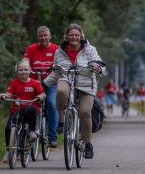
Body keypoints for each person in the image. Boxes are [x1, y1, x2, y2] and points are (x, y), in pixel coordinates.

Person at [43, 23, 104, 159]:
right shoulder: (59, 51)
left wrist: (97, 67)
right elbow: (56, 72)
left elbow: (99, 65)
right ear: (66, 36)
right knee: (61, 91)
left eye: (77, 35)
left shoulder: (89, 49)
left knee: (84, 112)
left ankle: (87, 144)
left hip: (86, 84)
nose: (74, 37)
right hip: (67, 79)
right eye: (71, 35)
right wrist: (44, 83)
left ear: (81, 36)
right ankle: (62, 119)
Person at [0, 60, 46, 162]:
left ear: (30, 70)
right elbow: (9, 93)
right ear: (17, 71)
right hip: (18, 109)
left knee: (30, 109)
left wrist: (40, 97)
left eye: (25, 69)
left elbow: (43, 94)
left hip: (31, 108)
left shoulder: (35, 83)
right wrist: (4, 96)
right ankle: (9, 150)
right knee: (8, 128)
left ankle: (32, 131)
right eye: (20, 70)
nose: (23, 72)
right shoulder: (14, 83)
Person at [23, 26, 59, 148]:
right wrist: (22, 65)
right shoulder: (31, 48)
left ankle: (52, 137)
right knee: (27, 105)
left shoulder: (56, 49)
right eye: (41, 35)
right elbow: (26, 60)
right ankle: (26, 133)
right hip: (34, 83)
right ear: (37, 37)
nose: (43, 38)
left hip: (51, 84)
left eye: (45, 35)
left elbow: (60, 64)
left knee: (51, 103)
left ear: (50, 36)